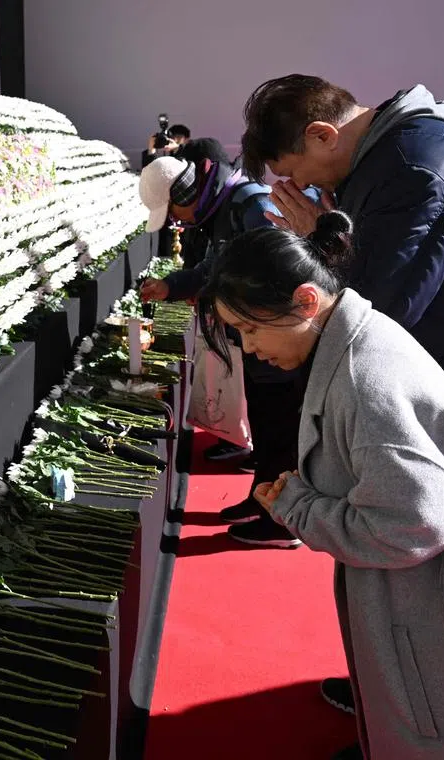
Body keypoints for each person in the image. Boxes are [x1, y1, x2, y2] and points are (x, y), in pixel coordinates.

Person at [241, 74, 444, 742]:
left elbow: (376, 310)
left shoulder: (408, 171)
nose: (307, 191)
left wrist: (317, 243)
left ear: (324, 134)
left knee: (439, 586)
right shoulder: (401, 150)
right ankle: (404, 702)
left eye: (300, 174)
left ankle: (443, 725)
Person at [198, 212, 444, 760]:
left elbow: (412, 526)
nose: (248, 347)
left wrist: (300, 506)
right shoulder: (356, 339)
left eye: (250, 328)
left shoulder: (365, 377)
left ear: (306, 301)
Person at [137, 154, 303, 547]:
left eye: (173, 211)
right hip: (259, 338)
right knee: (265, 425)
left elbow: (277, 273)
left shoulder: (251, 205)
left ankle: (281, 523)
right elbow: (215, 266)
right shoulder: (225, 208)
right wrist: (173, 286)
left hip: (277, 339)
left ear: (186, 195)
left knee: (280, 429)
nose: (177, 221)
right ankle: (262, 499)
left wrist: (220, 295)